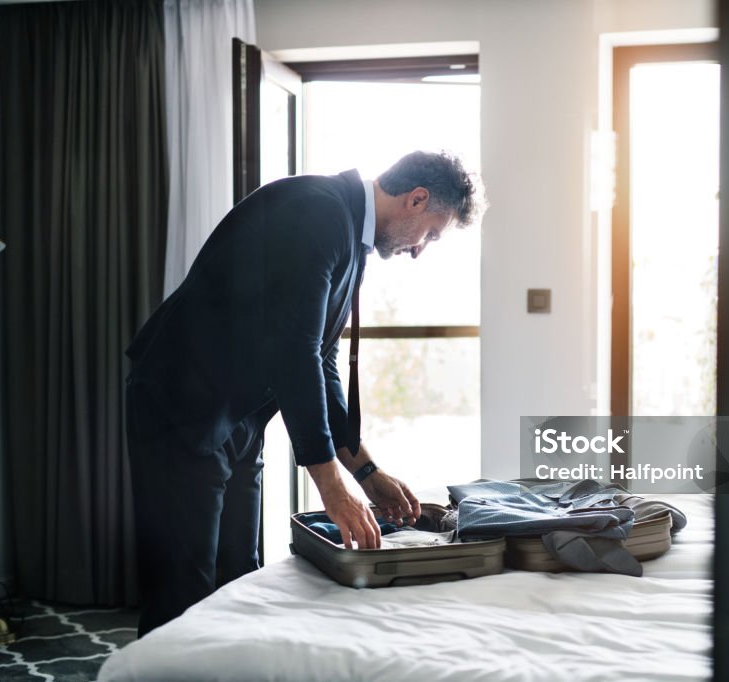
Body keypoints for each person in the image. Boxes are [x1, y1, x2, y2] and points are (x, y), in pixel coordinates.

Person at [124, 150, 480, 636]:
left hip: (239, 418)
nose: (421, 249)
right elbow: (295, 352)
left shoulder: (350, 233)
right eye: (432, 233)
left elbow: (322, 360)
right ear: (416, 199)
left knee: (239, 577)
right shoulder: (318, 212)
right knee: (182, 590)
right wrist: (331, 487)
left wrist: (365, 471)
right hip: (181, 407)